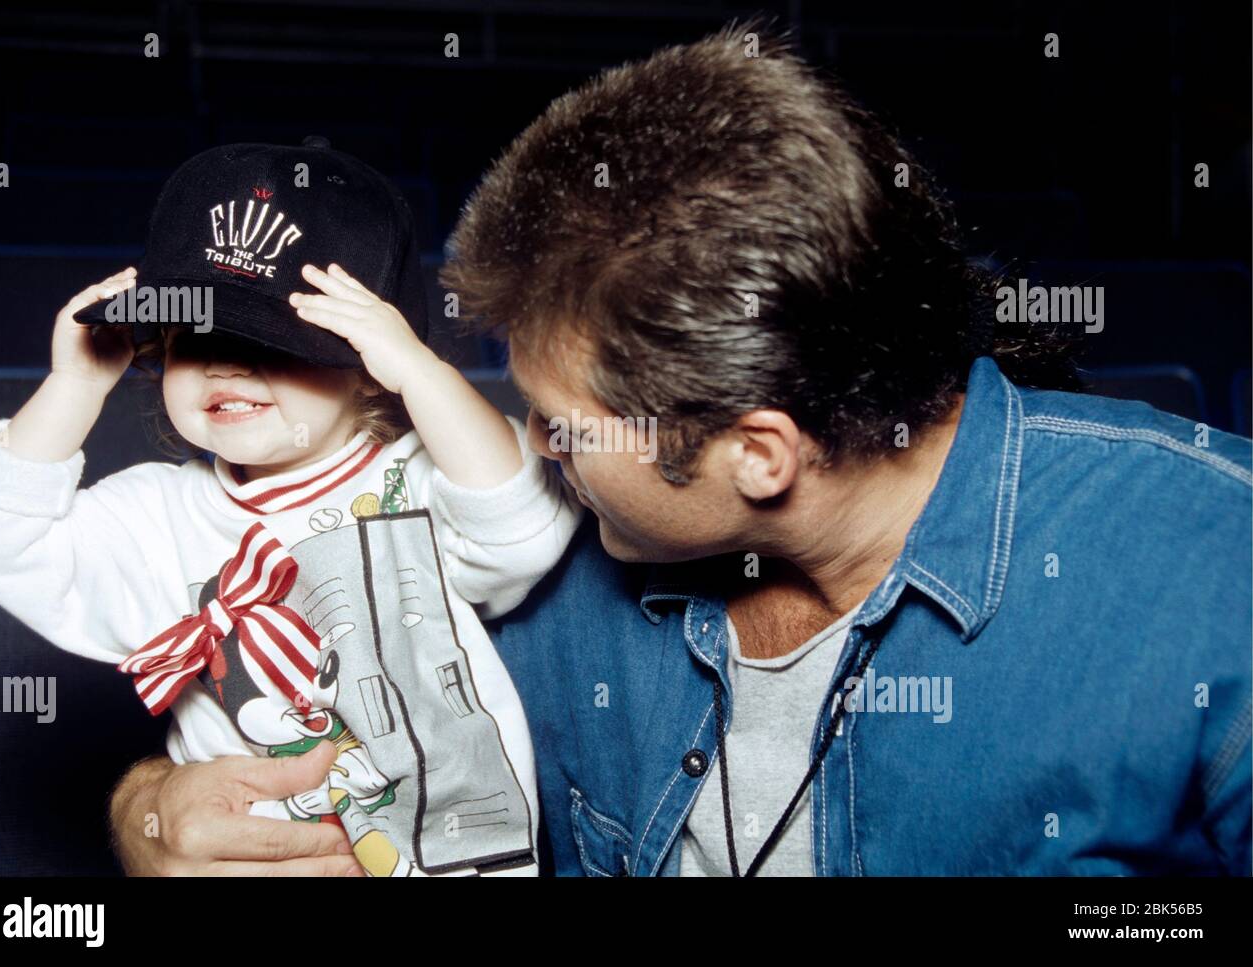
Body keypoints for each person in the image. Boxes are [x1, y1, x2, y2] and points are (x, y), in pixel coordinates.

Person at [106, 23, 1250, 876]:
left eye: (560, 426)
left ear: (759, 454)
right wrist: (150, 809)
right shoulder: (524, 559)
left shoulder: (1213, 577)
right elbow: (282, 722)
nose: (526, 451)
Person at [0, 139, 581, 877]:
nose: (228, 362)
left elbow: (520, 526)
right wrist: (73, 387)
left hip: (446, 851)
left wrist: (424, 372)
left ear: (371, 373)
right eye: (195, 337)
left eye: (278, 343)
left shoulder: (419, 477)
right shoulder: (157, 512)